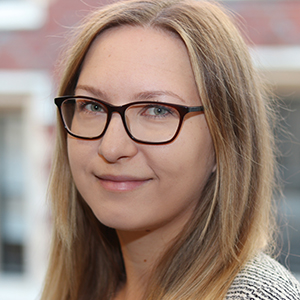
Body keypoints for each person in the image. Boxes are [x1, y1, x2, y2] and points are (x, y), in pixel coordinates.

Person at [40, 0, 300, 299]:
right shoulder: (81, 288)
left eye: (157, 110)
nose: (111, 147)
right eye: (93, 106)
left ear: (225, 139)